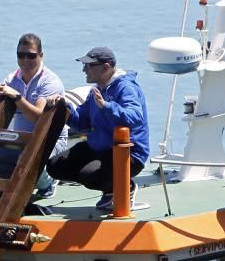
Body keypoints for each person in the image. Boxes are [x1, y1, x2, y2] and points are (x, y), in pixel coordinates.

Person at [47, 47, 150, 209]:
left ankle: (125, 187)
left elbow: (135, 118)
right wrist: (64, 107)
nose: (84, 70)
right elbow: (81, 122)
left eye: (88, 66)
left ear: (105, 67)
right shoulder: (97, 90)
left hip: (128, 153)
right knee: (55, 166)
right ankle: (111, 189)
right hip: (100, 147)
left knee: (90, 175)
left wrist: (106, 106)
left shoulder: (126, 88)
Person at [0, 33, 68, 199]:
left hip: (50, 141)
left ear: (41, 56)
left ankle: (49, 181)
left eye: (31, 55)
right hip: (21, 140)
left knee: (28, 158)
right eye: (21, 55)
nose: (26, 60)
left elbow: (38, 119)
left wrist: (16, 97)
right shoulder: (11, 79)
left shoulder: (49, 82)